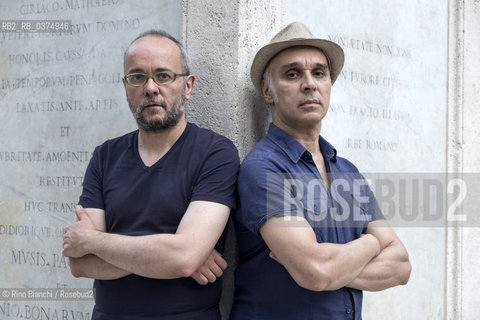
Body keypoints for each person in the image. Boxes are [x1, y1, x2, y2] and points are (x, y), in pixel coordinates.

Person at [231, 22, 411, 319]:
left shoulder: (348, 172)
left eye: (319, 73)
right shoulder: (263, 169)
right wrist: (371, 242)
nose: (309, 83)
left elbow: (401, 266)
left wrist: (326, 269)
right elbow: (316, 272)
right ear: (267, 90)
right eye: (292, 74)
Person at [62, 29, 239, 320]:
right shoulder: (105, 156)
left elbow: (182, 258)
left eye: (164, 75)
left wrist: (94, 241)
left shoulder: (215, 153)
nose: (151, 88)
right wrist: (170, 252)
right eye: (137, 77)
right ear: (125, 86)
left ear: (188, 85)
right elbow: (81, 264)